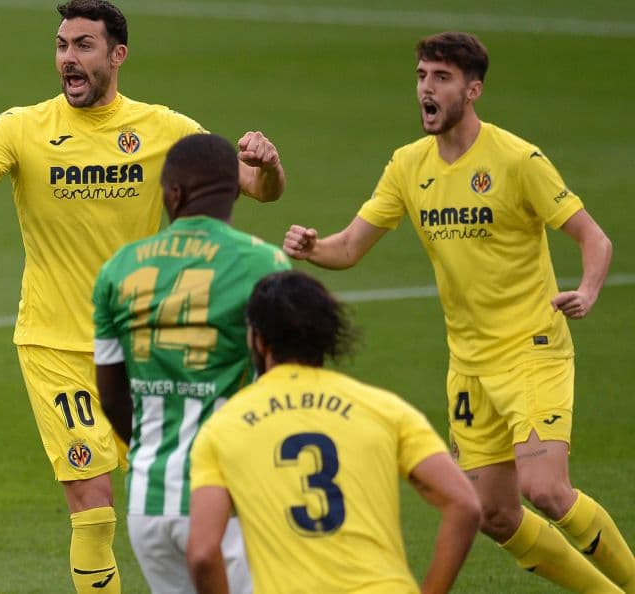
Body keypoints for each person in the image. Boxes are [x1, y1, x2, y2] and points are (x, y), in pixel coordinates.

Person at [0, 0, 285, 593]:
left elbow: (258, 188)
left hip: (149, 347)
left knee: (175, 500)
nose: (68, 58)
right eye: (62, 45)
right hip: (54, 344)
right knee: (91, 504)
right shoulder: (22, 128)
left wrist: (268, 165)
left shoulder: (165, 129)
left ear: (117, 56)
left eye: (83, 46)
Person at [283, 31, 634, 592]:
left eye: (441, 78)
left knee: (545, 489)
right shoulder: (407, 165)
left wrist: (588, 291)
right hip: (468, 365)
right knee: (495, 516)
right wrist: (310, 247)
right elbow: (348, 247)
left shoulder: (518, 159)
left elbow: (595, 239)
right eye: (422, 75)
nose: (426, 88)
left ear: (473, 90)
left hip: (532, 351)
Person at [186, 270, 481, 594]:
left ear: (258, 339)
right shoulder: (385, 409)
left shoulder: (223, 427)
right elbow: (465, 504)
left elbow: (202, 553)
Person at [91, 133, 290, 594]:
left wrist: (151, 449)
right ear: (233, 190)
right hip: (231, 499)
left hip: (149, 495)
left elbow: (112, 395)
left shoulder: (120, 268)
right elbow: (281, 388)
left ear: (174, 193)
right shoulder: (264, 264)